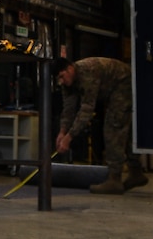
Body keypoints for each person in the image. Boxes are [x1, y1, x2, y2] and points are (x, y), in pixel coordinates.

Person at [55, 56, 147, 195]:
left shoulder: (88, 72)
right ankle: (136, 173)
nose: (62, 81)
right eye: (59, 79)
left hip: (123, 83)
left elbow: (86, 110)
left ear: (70, 68)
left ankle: (114, 179)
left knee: (113, 128)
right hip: (111, 89)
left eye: (62, 76)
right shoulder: (68, 82)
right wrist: (62, 132)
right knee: (124, 129)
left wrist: (69, 138)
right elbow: (68, 109)